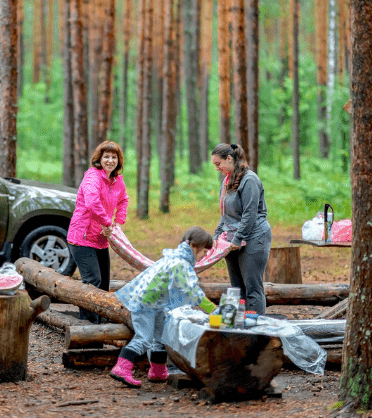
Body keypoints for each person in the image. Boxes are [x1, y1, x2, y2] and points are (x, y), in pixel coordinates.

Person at [110, 226, 217, 387]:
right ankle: (121, 368)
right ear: (195, 246)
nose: (204, 256)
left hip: (157, 304)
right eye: (204, 252)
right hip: (145, 303)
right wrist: (213, 309)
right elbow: (192, 290)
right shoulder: (180, 263)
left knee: (160, 336)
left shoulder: (176, 258)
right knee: (144, 338)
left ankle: (157, 370)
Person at [67, 141, 129, 323]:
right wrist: (106, 222)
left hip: (101, 238)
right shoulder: (92, 177)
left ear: (118, 160)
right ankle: (87, 326)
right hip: (82, 237)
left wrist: (118, 223)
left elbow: (123, 200)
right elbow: (92, 202)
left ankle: (100, 325)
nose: (110, 160)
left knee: (103, 284)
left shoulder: (117, 180)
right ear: (99, 159)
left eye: (114, 157)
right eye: (106, 157)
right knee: (92, 282)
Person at [210, 143, 272, 315]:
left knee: (252, 287)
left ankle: (256, 330)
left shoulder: (250, 180)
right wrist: (217, 234)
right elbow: (226, 214)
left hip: (254, 237)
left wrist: (237, 239)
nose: (217, 169)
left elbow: (249, 214)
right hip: (231, 241)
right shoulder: (227, 180)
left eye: (218, 164)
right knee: (237, 289)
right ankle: (239, 329)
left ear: (229, 159)